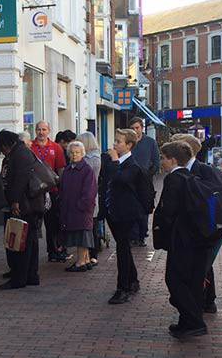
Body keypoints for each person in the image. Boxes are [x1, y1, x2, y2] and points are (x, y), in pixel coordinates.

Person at [153, 140, 210, 338]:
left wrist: (162, 229)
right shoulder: (189, 176)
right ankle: (186, 321)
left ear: (173, 160)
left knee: (174, 279)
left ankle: (194, 321)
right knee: (190, 280)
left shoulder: (173, 179)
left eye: (163, 158)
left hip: (181, 238)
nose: (161, 162)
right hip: (195, 238)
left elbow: (168, 211)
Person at [172, 132, 222, 314]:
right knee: (204, 263)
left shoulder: (204, 170)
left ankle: (203, 302)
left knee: (202, 263)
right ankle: (207, 300)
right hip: (200, 227)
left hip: (207, 227)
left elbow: (221, 195)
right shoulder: (190, 170)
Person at [103, 128, 152, 304]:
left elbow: (120, 179)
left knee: (122, 249)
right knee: (122, 246)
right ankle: (133, 281)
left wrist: (115, 161)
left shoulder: (132, 165)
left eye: (118, 142)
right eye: (115, 141)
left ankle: (123, 288)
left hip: (126, 214)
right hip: (113, 211)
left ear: (129, 145)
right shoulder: (113, 162)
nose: (114, 144)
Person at [0, 130, 45, 289]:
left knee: (20, 242)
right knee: (29, 241)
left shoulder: (20, 154)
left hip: (24, 205)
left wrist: (15, 202)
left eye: (2, 150)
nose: (3, 153)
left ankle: (20, 278)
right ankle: (30, 275)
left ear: (6, 145)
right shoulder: (21, 152)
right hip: (29, 204)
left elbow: (20, 180)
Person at [59, 140, 98, 272]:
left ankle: (81, 262)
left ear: (83, 153)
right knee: (79, 235)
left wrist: (81, 205)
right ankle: (85, 260)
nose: (75, 155)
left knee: (82, 235)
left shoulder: (87, 170)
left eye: (78, 152)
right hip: (71, 209)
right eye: (72, 152)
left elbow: (90, 192)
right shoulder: (68, 170)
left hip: (81, 210)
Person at [31, 121, 66, 262]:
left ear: (49, 131)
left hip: (52, 190)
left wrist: (62, 188)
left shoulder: (56, 147)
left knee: (53, 223)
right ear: (35, 131)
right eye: (38, 129)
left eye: (44, 129)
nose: (41, 132)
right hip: (35, 191)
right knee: (34, 224)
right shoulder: (30, 146)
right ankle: (32, 255)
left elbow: (61, 168)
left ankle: (54, 250)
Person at [128, 116, 160, 247]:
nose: (135, 131)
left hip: (145, 182)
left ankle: (142, 235)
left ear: (142, 128)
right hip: (130, 179)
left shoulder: (150, 142)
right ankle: (133, 236)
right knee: (131, 208)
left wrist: (148, 175)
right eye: (132, 128)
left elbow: (156, 162)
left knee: (144, 209)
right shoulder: (128, 143)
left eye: (137, 128)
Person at [78, 131, 101, 266]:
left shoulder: (90, 159)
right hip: (93, 195)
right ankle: (91, 254)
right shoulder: (96, 157)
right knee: (92, 225)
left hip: (89, 196)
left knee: (91, 226)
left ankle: (92, 254)